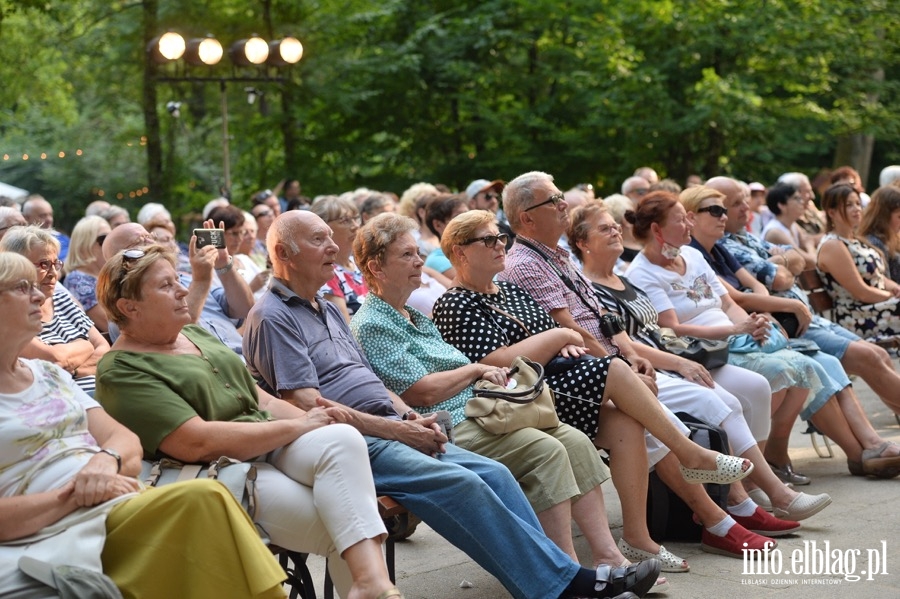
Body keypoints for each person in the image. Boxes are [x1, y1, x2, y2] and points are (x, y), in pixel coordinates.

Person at [242, 210, 662, 599]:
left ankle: (553, 580)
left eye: (332, 237)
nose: (334, 247)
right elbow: (306, 406)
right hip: (349, 443)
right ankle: (565, 584)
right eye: (320, 239)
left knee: (495, 474)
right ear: (283, 253)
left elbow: (369, 383)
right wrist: (397, 426)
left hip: (395, 426)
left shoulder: (329, 310)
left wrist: (408, 417)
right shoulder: (274, 315)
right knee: (466, 484)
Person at [352, 213, 729, 583]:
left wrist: (561, 344)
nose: (420, 260)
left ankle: (608, 554)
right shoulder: (377, 321)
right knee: (549, 446)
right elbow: (422, 390)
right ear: (376, 267)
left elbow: (559, 335)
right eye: (407, 255)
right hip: (453, 421)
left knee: (576, 440)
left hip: (494, 405)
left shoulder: (415, 316)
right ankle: (566, 573)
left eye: (418, 252)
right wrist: (480, 369)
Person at [431, 211, 786, 571]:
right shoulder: (454, 302)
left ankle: (637, 540)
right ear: (460, 253)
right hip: (522, 397)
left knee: (626, 425)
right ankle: (693, 458)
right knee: (617, 369)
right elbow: (497, 362)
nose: (500, 245)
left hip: (555, 382)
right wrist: (561, 338)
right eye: (488, 240)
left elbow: (553, 336)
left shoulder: (508, 289)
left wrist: (563, 343)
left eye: (500, 237)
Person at [92, 244, 403, 599]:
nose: (182, 289)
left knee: (343, 437)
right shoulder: (119, 369)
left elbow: (262, 400)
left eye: (177, 279)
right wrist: (302, 425)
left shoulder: (192, 334)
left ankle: (370, 585)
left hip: (269, 443)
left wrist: (316, 419)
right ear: (128, 307)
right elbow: (197, 442)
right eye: (165, 286)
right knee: (346, 526)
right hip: (220, 469)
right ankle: (374, 586)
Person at [0, 252, 287, 599]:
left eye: (35, 286)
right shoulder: (118, 365)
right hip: (60, 526)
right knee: (206, 499)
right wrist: (76, 494)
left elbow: (125, 442)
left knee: (213, 504)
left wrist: (106, 461)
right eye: (21, 287)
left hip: (114, 502)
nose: (40, 295)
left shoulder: (49, 375)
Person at [568, 202, 833, 515]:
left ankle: (751, 485)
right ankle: (761, 497)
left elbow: (657, 331)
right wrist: (683, 360)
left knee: (757, 387)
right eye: (604, 228)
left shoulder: (624, 279)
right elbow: (629, 344)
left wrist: (738, 330)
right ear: (583, 244)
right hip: (658, 366)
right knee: (724, 403)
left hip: (680, 355)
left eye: (614, 225)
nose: (615, 230)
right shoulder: (595, 287)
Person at [624, 190, 900, 483]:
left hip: (738, 336)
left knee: (810, 366)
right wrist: (741, 326)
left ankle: (811, 456)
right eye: (684, 219)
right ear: (657, 229)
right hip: (702, 350)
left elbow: (730, 302)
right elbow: (673, 329)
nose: (690, 224)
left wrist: (754, 326)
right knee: (786, 373)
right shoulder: (643, 272)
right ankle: (766, 469)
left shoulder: (692, 254)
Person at [711, 176, 900, 421]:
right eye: (736, 203)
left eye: (745, 201)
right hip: (796, 324)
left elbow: (797, 260)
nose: (747, 208)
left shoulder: (746, 238)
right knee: (869, 356)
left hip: (810, 316)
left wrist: (783, 261)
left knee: (878, 354)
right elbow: (781, 278)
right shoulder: (727, 246)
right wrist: (783, 262)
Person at [102, 222, 254, 356]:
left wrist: (223, 264)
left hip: (247, 358)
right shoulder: (127, 307)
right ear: (120, 262)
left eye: (150, 236)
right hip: (218, 371)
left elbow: (244, 308)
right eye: (139, 242)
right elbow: (176, 336)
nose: (152, 243)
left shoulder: (186, 277)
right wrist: (201, 281)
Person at [1, 226, 109, 395]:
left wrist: (72, 370)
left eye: (56, 264)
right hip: (65, 401)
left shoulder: (62, 299)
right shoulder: (13, 313)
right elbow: (55, 358)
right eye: (44, 264)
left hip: (103, 389)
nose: (53, 273)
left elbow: (103, 348)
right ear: (18, 266)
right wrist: (86, 345)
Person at [817, 182, 900, 341]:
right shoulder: (833, 245)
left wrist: (896, 288)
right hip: (857, 316)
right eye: (849, 205)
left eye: (857, 203)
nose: (857, 208)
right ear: (831, 212)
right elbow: (861, 292)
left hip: (878, 307)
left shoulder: (856, 241)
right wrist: (891, 296)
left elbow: (877, 277)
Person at [310, 196, 367, 321]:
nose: (355, 226)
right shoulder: (326, 273)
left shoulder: (359, 264)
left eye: (356, 218)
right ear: (323, 229)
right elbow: (346, 331)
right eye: (345, 220)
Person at [62, 216, 113, 333]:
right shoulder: (77, 280)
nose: (109, 243)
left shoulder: (109, 274)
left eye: (111, 237)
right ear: (85, 245)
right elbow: (110, 325)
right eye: (104, 238)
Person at [858, 184, 900, 283]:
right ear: (884, 216)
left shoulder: (891, 238)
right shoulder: (875, 243)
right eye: (899, 217)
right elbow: (885, 283)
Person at [423, 194, 469, 278]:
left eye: (468, 215)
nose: (468, 221)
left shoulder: (478, 248)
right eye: (458, 217)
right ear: (438, 225)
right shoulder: (436, 259)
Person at [21, 195, 70, 261]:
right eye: (42, 216)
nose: (49, 220)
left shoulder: (64, 239)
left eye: (50, 214)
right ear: (26, 218)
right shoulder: (20, 244)